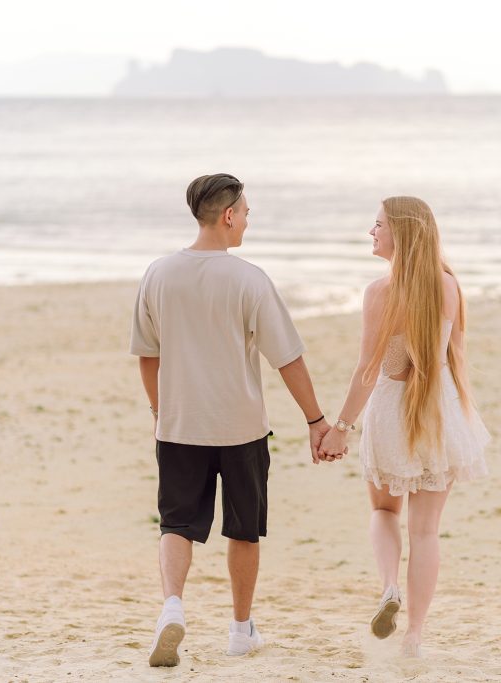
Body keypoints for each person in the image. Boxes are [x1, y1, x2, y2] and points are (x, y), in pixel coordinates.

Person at [129, 173, 335, 667]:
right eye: (244, 213)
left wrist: (161, 412)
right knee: (244, 529)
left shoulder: (158, 274)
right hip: (241, 428)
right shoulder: (248, 278)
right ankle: (241, 631)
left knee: (176, 524)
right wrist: (316, 420)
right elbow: (287, 358)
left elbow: (146, 356)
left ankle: (172, 606)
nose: (246, 221)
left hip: (179, 426)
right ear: (227, 216)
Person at [319, 196, 490, 656]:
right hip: (438, 411)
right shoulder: (449, 287)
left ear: (402, 233)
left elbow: (369, 370)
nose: (370, 233)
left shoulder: (379, 292)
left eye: (377, 226)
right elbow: (453, 357)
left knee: (383, 513)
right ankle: (414, 636)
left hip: (391, 412)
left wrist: (340, 427)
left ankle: (389, 587)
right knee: (427, 530)